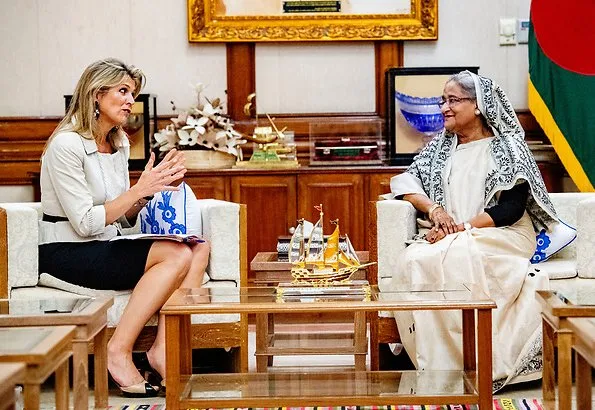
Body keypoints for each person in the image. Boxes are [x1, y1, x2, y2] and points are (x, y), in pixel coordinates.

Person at [38, 58, 210, 397]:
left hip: (104, 242)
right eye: (123, 91)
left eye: (132, 92)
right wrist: (138, 189)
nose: (131, 100)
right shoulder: (65, 146)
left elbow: (122, 216)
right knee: (175, 256)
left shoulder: (118, 142)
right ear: (96, 95)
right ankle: (118, 352)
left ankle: (163, 348)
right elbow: (86, 223)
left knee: (198, 246)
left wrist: (150, 192)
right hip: (67, 251)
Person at [388, 70, 559, 391]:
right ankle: (440, 368)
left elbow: (510, 210)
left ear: (478, 105)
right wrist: (434, 210)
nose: (444, 108)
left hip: (503, 235)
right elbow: (405, 182)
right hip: (457, 234)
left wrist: (459, 229)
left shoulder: (508, 147)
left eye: (453, 100)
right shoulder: (440, 148)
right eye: (443, 101)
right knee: (413, 259)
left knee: (459, 255)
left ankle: (477, 364)